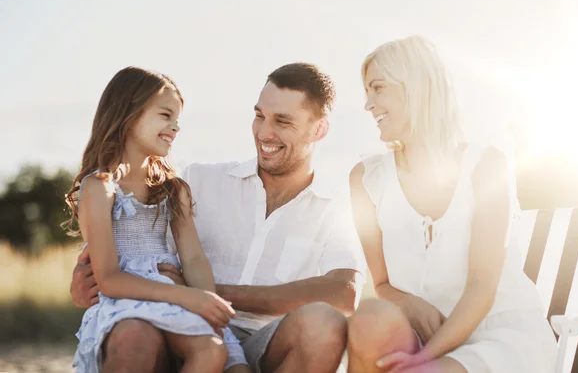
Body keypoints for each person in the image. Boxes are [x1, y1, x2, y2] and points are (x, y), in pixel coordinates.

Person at [70, 62, 367, 373]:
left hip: (262, 342)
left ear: (318, 129)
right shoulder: (197, 180)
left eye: (283, 122)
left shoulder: (336, 208)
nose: (265, 132)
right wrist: (87, 286)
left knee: (323, 324)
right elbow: (130, 260)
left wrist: (207, 296)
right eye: (259, 116)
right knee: (135, 337)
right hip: (172, 330)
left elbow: (344, 293)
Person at [346, 36, 557, 372]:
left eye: (378, 88)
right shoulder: (366, 179)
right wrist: (409, 303)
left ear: (415, 87)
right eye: (367, 92)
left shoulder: (485, 165)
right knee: (370, 319)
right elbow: (381, 284)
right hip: (421, 336)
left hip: (497, 334)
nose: (368, 104)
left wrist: (425, 359)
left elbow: (482, 285)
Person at [65, 67, 249, 373]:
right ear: (128, 113)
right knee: (133, 345)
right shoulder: (100, 187)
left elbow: (192, 257)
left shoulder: (173, 189)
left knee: (215, 352)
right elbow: (108, 279)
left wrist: (207, 303)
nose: (175, 127)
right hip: (125, 298)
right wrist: (186, 296)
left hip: (177, 298)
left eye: (177, 120)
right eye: (165, 116)